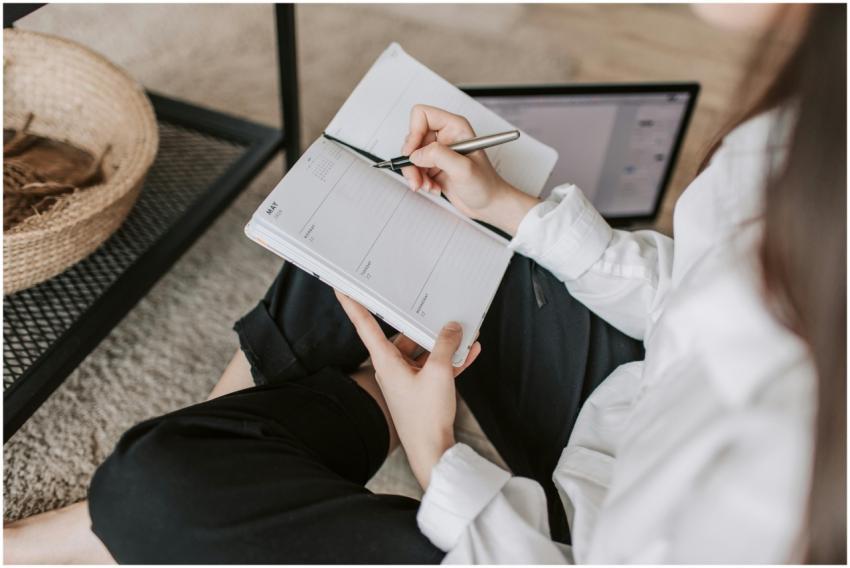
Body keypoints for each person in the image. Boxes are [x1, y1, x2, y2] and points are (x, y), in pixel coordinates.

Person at [4, 3, 845, 564]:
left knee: (149, 490)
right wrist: (512, 209)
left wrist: (435, 451)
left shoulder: (795, 472)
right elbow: (695, 298)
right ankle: (219, 450)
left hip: (571, 544)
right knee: (391, 212)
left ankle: (111, 517)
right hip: (634, 400)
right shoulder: (807, 120)